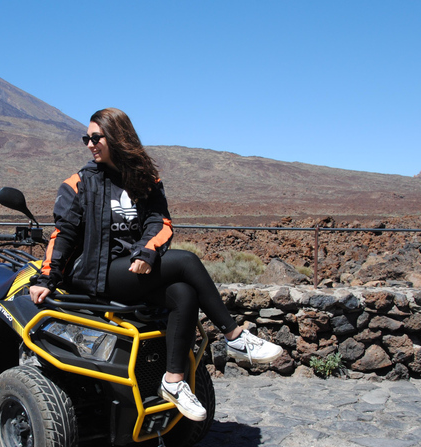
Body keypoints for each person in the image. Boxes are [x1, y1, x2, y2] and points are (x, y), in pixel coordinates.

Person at [29, 108, 282, 422]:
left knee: (183, 294)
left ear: (117, 137)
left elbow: (160, 223)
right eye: (87, 138)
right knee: (187, 260)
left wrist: (146, 252)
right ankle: (234, 335)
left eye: (96, 137)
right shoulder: (80, 183)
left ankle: (173, 381)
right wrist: (46, 278)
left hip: (133, 270)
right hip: (97, 274)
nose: (89, 144)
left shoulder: (144, 179)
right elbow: (62, 234)